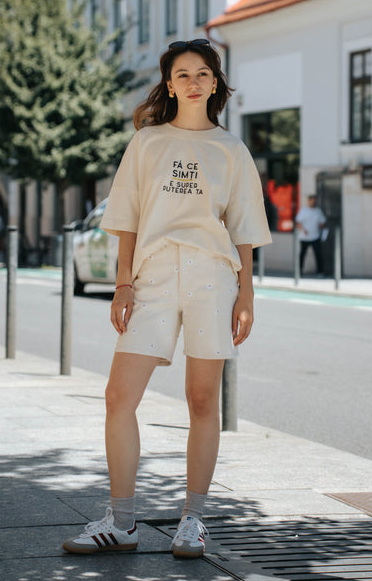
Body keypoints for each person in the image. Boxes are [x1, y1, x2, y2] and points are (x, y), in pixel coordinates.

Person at [62, 38, 271, 559]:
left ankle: (192, 521)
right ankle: (122, 522)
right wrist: (123, 283)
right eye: (183, 74)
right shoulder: (147, 142)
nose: (193, 82)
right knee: (118, 396)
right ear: (170, 85)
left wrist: (246, 292)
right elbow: (126, 218)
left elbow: (244, 227)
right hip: (152, 276)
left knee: (202, 399)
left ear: (215, 83)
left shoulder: (232, 150)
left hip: (212, 277)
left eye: (203, 73)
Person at [295, 195, 327, 276]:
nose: (313, 202)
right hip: (304, 237)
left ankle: (320, 272)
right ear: (309, 201)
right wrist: (303, 230)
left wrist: (321, 227)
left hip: (315, 237)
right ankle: (299, 272)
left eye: (314, 201)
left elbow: (322, 223)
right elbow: (298, 223)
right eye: (312, 200)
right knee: (302, 254)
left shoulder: (318, 211)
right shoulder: (303, 210)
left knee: (318, 254)